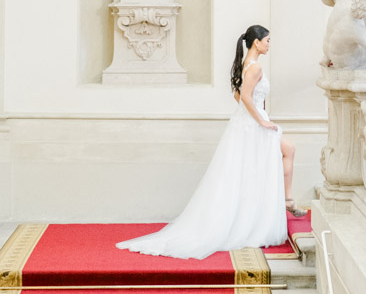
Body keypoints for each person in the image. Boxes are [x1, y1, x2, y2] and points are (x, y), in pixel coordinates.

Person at [117, 26, 308, 260]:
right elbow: (245, 97)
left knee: (266, 161)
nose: (269, 44)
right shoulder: (255, 67)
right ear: (256, 42)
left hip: (247, 123)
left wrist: (258, 116)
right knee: (277, 156)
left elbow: (237, 95)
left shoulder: (244, 64)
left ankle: (282, 200)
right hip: (253, 125)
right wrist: (261, 121)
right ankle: (283, 201)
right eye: (267, 40)